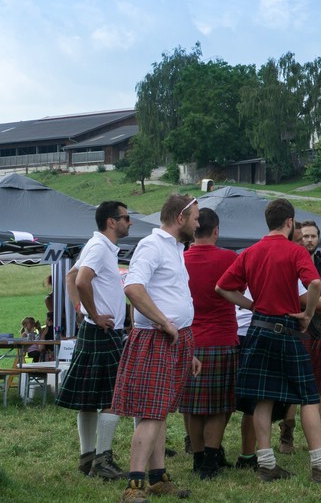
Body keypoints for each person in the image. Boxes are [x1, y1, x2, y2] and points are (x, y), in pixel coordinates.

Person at [216, 198, 321, 484]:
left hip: (258, 329)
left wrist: (251, 305)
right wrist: (308, 315)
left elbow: (221, 287)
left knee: (263, 397)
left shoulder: (250, 252)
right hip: (285, 329)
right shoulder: (295, 251)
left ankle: (267, 464)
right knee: (309, 396)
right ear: (289, 222)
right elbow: (315, 284)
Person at [110, 194, 202, 502]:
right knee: (151, 412)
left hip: (175, 339)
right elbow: (133, 287)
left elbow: (172, 295)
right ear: (180, 219)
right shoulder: (152, 246)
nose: (198, 223)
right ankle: (132, 488)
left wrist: (190, 350)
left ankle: (158, 478)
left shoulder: (174, 248)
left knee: (160, 411)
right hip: (157, 338)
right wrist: (164, 322)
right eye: (196, 218)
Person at [56, 200, 132, 481]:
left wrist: (80, 310)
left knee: (89, 398)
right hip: (103, 330)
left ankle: (87, 457)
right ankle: (102, 459)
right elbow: (81, 281)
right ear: (111, 222)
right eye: (126, 217)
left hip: (95, 329)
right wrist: (95, 313)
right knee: (114, 395)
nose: (130, 222)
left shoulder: (97, 245)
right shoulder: (100, 247)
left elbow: (70, 274)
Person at [180, 208, 239, 479]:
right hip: (222, 338)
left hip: (190, 340)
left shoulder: (181, 259)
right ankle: (211, 461)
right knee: (219, 404)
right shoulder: (229, 258)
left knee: (193, 405)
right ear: (216, 230)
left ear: (194, 229)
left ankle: (198, 458)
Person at [278, 220, 321, 453]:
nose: (308, 240)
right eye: (304, 237)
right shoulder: (289, 263)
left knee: (319, 388)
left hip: (320, 332)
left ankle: (320, 437)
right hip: (297, 331)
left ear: (319, 239)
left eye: (313, 236)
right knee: (295, 387)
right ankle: (287, 437)